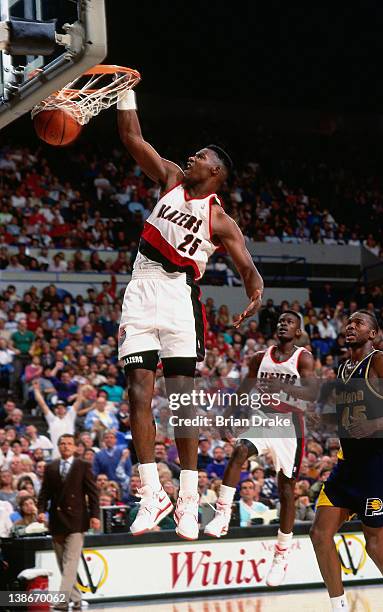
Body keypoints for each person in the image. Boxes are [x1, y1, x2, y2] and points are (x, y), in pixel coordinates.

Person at [116, 89, 263, 540]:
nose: (191, 158)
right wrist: (126, 92)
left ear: (214, 171)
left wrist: (253, 296)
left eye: (199, 156)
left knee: (182, 401)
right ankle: (150, 492)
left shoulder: (221, 222)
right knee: (138, 392)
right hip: (141, 286)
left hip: (180, 296)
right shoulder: (170, 179)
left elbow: (249, 270)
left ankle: (185, 497)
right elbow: (131, 137)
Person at [205, 310, 317, 587]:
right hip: (264, 419)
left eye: (289, 322)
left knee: (287, 491)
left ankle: (281, 555)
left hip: (290, 427)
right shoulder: (259, 358)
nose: (283, 324)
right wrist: (226, 418)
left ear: (298, 331)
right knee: (240, 451)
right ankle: (222, 515)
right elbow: (243, 389)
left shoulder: (303, 358)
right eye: (281, 321)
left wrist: (280, 385)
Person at [310, 310, 383, 612]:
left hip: (380, 461)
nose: (350, 326)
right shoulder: (343, 369)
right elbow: (347, 419)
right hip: (349, 462)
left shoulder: (381, 362)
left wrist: (375, 426)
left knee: (375, 544)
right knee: (319, 533)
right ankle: (339, 607)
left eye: (359, 323)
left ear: (373, 333)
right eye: (348, 322)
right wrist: (320, 419)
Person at [37, 434, 100, 611]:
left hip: (77, 521)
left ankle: (62, 601)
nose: (65, 446)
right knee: (62, 564)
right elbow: (44, 494)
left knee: (70, 562)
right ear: (58, 447)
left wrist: (95, 515)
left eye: (69, 444)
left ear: (74, 447)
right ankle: (77, 599)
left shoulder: (83, 466)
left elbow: (93, 494)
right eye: (62, 444)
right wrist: (40, 511)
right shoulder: (50, 467)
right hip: (56, 521)